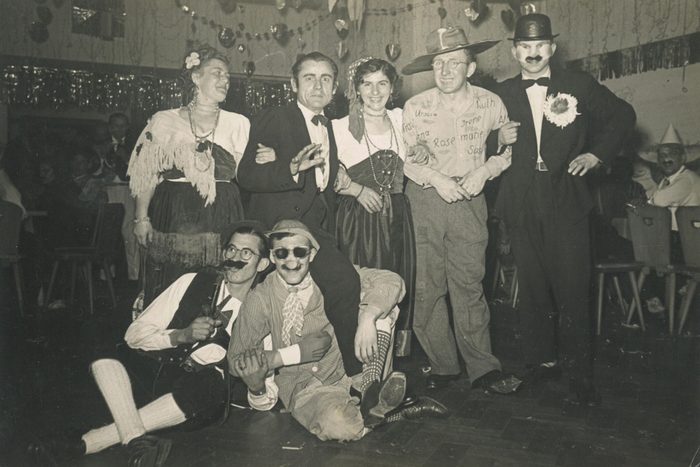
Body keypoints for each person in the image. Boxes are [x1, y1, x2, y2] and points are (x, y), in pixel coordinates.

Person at [26, 222, 273, 465]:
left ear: (262, 263)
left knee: (214, 385)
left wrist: (257, 386)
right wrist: (180, 335)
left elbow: (266, 398)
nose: (234, 258)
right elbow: (135, 334)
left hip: (188, 400)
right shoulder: (193, 281)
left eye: (246, 253)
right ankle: (136, 441)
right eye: (231, 249)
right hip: (151, 377)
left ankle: (93, 441)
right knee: (96, 332)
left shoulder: (264, 311)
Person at [492, 13, 636, 405]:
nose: (532, 53)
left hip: (567, 198)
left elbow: (624, 116)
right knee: (533, 290)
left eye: (539, 45)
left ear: (552, 48)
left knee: (574, 290)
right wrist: (496, 140)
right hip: (522, 200)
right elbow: (475, 144)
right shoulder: (500, 94)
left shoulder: (578, 85)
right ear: (514, 51)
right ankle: (540, 365)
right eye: (524, 46)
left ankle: (580, 376)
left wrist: (597, 155)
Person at [229, 220, 447, 441]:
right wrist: (279, 358)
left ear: (311, 255)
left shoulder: (331, 277)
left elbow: (392, 280)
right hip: (308, 387)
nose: (292, 260)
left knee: (381, 303)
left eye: (300, 252)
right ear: (273, 257)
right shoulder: (260, 299)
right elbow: (235, 359)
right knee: (340, 427)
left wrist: (367, 318)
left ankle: (372, 387)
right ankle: (393, 412)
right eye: (282, 253)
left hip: (352, 370)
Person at [401, 26, 521, 394]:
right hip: (425, 197)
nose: (446, 71)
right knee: (426, 287)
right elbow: (406, 160)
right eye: (439, 64)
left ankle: (482, 367)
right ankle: (443, 364)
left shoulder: (491, 103)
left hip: (471, 197)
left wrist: (485, 171)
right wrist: (437, 179)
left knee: (469, 284)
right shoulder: (415, 107)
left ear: (470, 67)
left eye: (454, 63)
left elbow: (509, 150)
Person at [237, 52, 363, 376]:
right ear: (293, 84)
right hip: (278, 227)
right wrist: (290, 168)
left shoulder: (329, 127)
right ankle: (352, 372)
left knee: (339, 284)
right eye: (309, 77)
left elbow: (323, 184)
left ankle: (347, 374)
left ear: (335, 88)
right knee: (337, 283)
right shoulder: (276, 117)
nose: (318, 85)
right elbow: (247, 175)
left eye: (325, 79)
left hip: (314, 227)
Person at [128, 46, 249, 305]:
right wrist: (141, 218)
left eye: (228, 76)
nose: (225, 81)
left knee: (216, 285)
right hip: (174, 214)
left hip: (222, 212)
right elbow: (145, 173)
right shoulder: (163, 120)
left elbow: (248, 174)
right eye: (217, 73)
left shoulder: (239, 122)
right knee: (171, 287)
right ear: (196, 77)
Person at [332, 57, 421, 354]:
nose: (374, 91)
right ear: (356, 89)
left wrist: (422, 150)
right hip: (359, 221)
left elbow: (422, 149)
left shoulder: (401, 119)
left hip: (396, 217)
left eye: (382, 83)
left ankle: (385, 363)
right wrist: (356, 190)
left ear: (392, 87)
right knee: (361, 286)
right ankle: (356, 358)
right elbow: (325, 175)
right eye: (366, 84)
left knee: (395, 282)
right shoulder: (339, 127)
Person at [637, 124, 700, 231]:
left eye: (673, 153)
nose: (667, 158)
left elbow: (659, 200)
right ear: (658, 162)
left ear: (682, 158)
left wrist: (645, 203)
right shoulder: (665, 181)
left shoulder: (687, 178)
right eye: (662, 155)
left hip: (692, 238)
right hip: (676, 234)